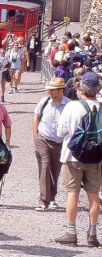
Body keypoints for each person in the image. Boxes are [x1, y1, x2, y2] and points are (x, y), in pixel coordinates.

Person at [55, 71, 102, 246]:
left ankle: (71, 232)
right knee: (94, 195)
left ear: (82, 88)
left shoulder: (72, 107)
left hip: (72, 156)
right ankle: (92, 234)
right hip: (96, 158)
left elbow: (60, 133)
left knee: (72, 193)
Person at [33, 77, 70, 211]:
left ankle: (52, 198)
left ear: (61, 90)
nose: (49, 92)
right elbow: (36, 116)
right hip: (43, 138)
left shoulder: (69, 105)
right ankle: (43, 200)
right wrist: (35, 135)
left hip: (59, 143)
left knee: (55, 170)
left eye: (52, 90)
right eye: (49, 90)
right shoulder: (44, 102)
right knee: (45, 165)